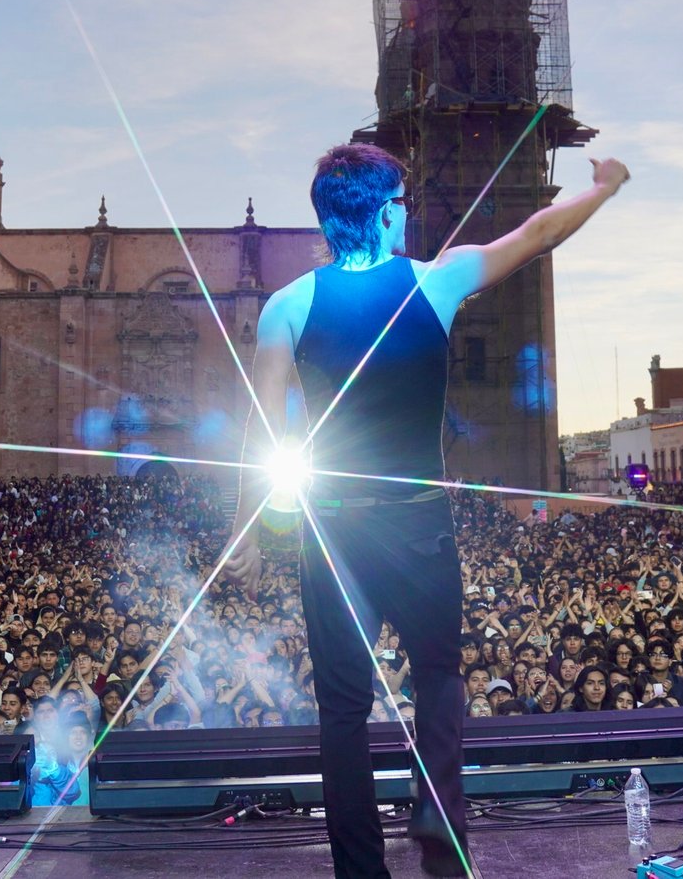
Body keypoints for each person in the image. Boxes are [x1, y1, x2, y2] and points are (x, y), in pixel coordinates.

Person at [226, 143, 630, 878]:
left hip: (334, 529)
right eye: (401, 201)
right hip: (418, 523)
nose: (407, 211)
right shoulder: (434, 283)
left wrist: (248, 525)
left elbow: (265, 429)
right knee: (439, 681)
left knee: (343, 709)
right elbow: (539, 232)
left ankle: (360, 870)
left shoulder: (288, 306)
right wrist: (603, 188)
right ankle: (441, 843)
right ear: (385, 211)